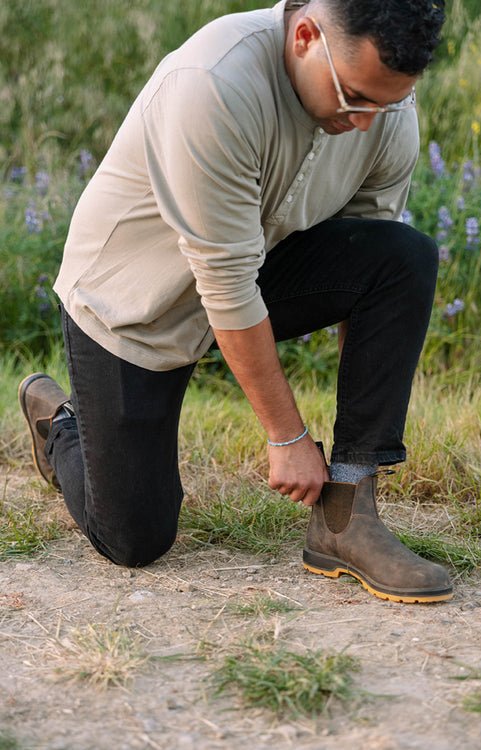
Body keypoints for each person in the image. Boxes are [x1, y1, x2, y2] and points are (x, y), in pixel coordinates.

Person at [19, 0, 452, 603]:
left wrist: (350, 458)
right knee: (134, 540)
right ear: (306, 36)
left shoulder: (383, 109)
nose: (364, 123)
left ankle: (347, 520)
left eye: (383, 104)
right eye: (354, 98)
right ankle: (64, 424)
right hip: (135, 306)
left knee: (403, 256)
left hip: (253, 272)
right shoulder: (211, 82)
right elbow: (225, 284)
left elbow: (364, 256)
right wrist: (287, 437)